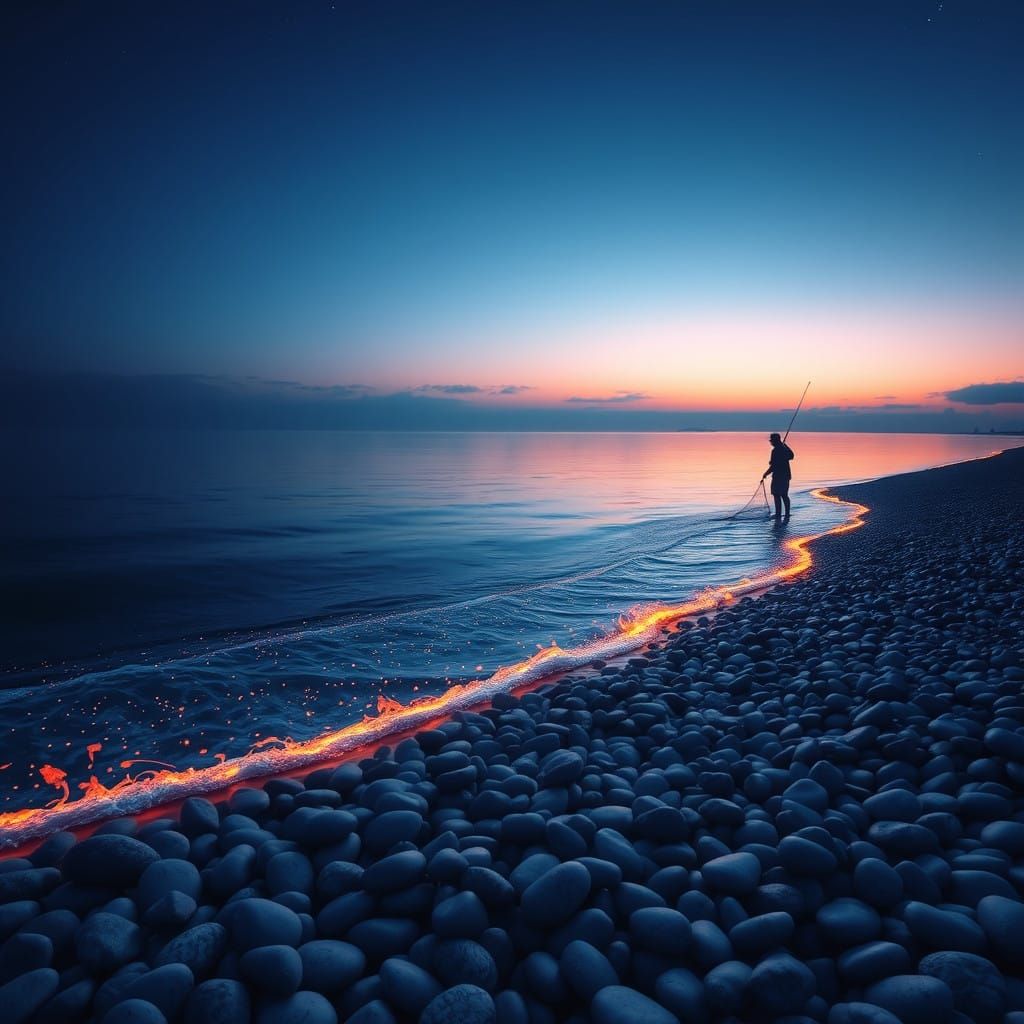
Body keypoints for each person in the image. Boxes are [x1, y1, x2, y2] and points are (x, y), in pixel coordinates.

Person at [762, 432, 794, 519]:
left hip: (778, 477)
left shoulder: (775, 451)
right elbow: (792, 456)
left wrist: (765, 474)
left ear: (774, 441)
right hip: (786, 476)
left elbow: (773, 466)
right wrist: (785, 446)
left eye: (772, 441)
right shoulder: (784, 449)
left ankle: (778, 514)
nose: (771, 442)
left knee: (776, 495)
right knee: (784, 495)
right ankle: (787, 514)